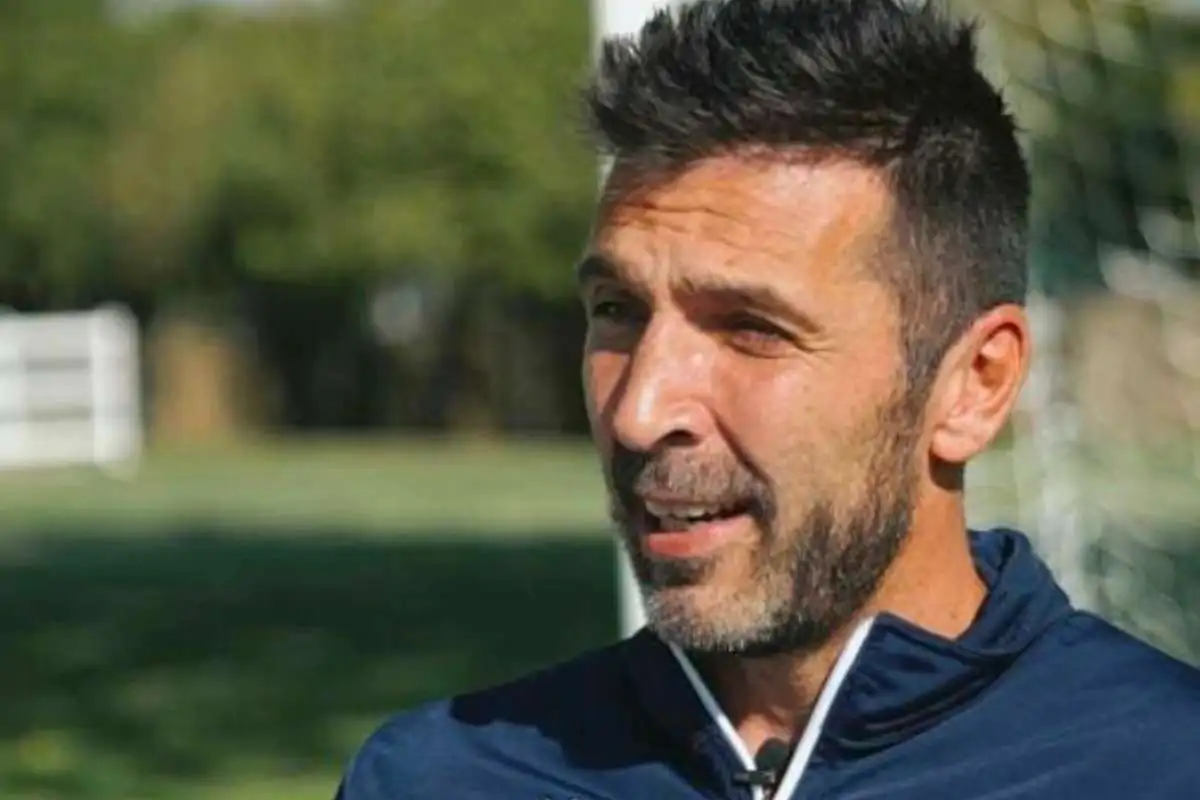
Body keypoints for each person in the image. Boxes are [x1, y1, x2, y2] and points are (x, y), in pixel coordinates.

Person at [335, 1, 1200, 797]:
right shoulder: (439, 777)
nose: (640, 411)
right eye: (617, 311)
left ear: (975, 384)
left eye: (750, 327)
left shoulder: (1161, 766)